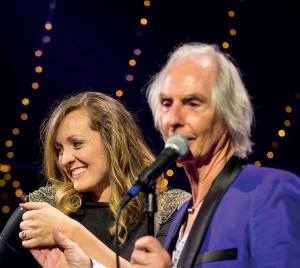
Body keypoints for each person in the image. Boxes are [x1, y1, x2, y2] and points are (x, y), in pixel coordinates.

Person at [31, 42, 300, 268]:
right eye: (166, 104)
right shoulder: (180, 215)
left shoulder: (269, 191)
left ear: (230, 115)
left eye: (193, 103)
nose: (174, 119)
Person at [0, 91, 191, 267]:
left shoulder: (167, 209)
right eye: (59, 150)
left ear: (113, 141)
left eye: (76, 143)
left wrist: (72, 232)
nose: (65, 159)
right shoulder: (46, 207)